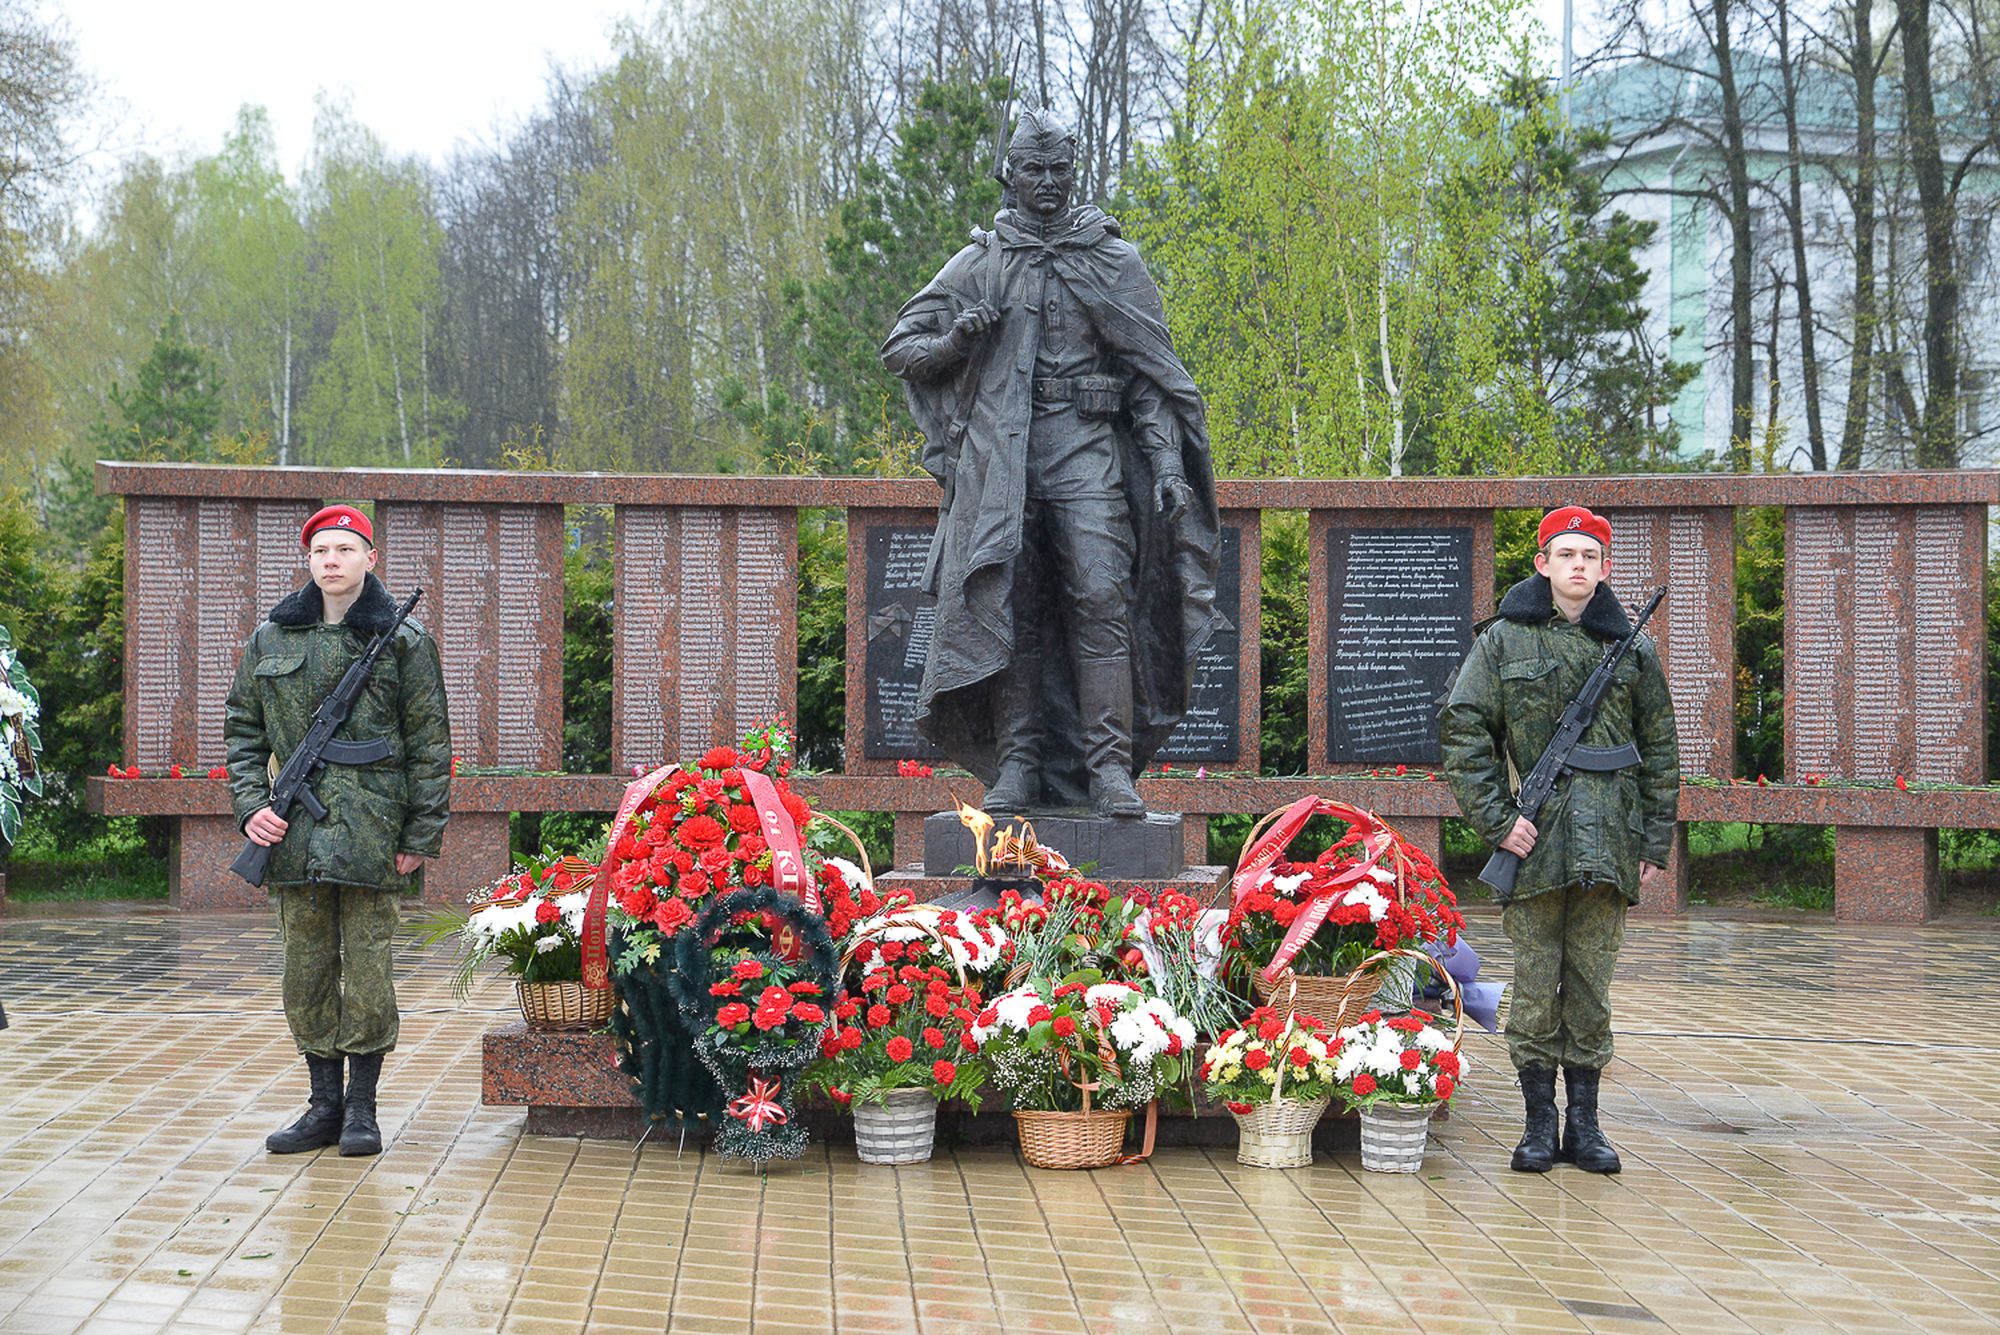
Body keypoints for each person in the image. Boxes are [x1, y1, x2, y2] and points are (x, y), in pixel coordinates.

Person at [882, 107, 1226, 818]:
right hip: (1001, 466)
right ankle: (1017, 763)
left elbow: (1151, 377)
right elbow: (901, 348)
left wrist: (1165, 465)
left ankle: (1108, 769)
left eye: (1058, 170)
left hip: (1088, 452)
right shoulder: (981, 262)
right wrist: (956, 338)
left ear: (1075, 173)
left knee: (1102, 597)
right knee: (1016, 607)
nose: (1046, 183)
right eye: (1032, 169)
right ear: (1010, 175)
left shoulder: (1111, 259)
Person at [1439, 505, 1679, 1174]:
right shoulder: (1504, 642)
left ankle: (1588, 1125)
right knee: (1539, 983)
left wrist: (1652, 841)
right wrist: (1496, 819)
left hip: (1609, 841)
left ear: (1605, 569)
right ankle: (1538, 1124)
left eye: (1591, 555)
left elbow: (1660, 747)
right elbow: (1464, 730)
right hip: (1536, 842)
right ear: (1542, 564)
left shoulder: (1633, 647)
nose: (1579, 565)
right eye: (1566, 553)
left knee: (1591, 987)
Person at [224, 505, 451, 1157]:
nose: (332, 560)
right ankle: (322, 1104)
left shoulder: (404, 640)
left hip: (373, 834)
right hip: (293, 837)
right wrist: (250, 808)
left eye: (346, 549)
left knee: (371, 972)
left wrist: (420, 833)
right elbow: (243, 731)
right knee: (307, 971)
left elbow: (431, 744)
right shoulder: (272, 638)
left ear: (369, 559)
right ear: (308, 560)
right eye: (321, 549)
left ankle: (361, 1109)